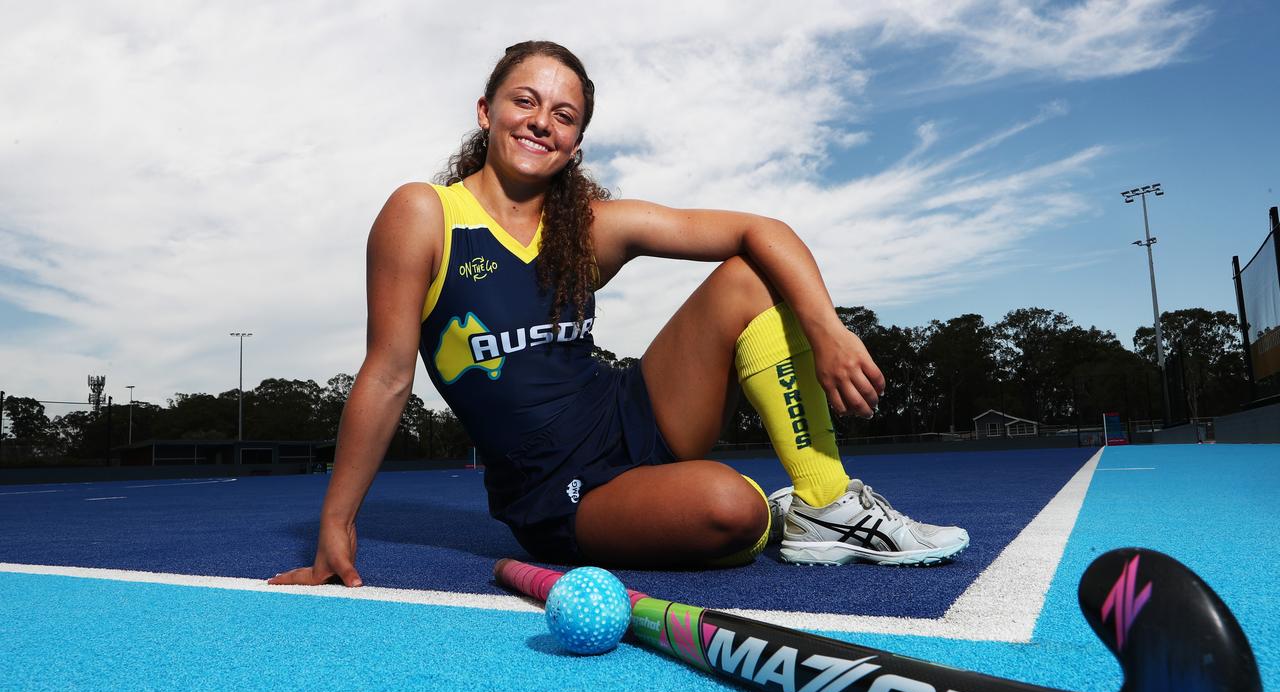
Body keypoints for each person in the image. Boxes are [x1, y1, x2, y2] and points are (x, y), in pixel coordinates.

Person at [270, 41, 967, 586]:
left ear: (575, 143)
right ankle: (770, 513)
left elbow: (764, 229)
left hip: (636, 410)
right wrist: (338, 523)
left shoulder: (589, 227)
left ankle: (825, 501)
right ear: (485, 111)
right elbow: (388, 376)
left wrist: (827, 328)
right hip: (555, 488)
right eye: (525, 102)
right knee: (735, 511)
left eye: (564, 116)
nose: (542, 122)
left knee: (750, 272)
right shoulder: (423, 215)